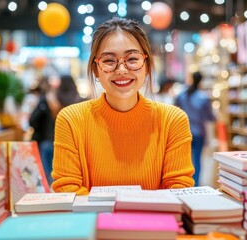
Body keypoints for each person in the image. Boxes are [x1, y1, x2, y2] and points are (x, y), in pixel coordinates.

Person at [51, 18, 195, 195]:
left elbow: (179, 190)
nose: (121, 70)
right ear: (96, 69)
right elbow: (67, 190)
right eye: (109, 60)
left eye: (132, 59)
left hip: (155, 223)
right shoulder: (71, 119)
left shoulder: (173, 120)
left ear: (147, 65)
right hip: (92, 223)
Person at [175, 71, 216, 186]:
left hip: (183, 132)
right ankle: (195, 185)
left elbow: (174, 111)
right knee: (197, 160)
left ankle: (183, 183)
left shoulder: (181, 95)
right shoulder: (203, 97)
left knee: (183, 160)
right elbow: (210, 117)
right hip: (198, 133)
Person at [29, 76, 58, 185]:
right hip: (58, 139)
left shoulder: (43, 101)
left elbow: (32, 120)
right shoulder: (58, 99)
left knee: (47, 173)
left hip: (45, 139)